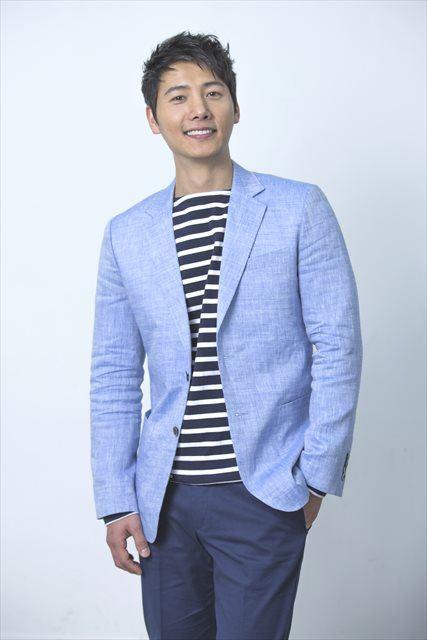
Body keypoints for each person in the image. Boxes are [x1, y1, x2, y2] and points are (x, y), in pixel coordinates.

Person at [90, 30, 363, 640]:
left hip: (263, 489)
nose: (199, 109)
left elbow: (338, 346)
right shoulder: (126, 234)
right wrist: (117, 498)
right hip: (163, 501)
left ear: (235, 108)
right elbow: (113, 372)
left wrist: (315, 476)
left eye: (213, 93)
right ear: (153, 118)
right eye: (179, 96)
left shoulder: (298, 208)